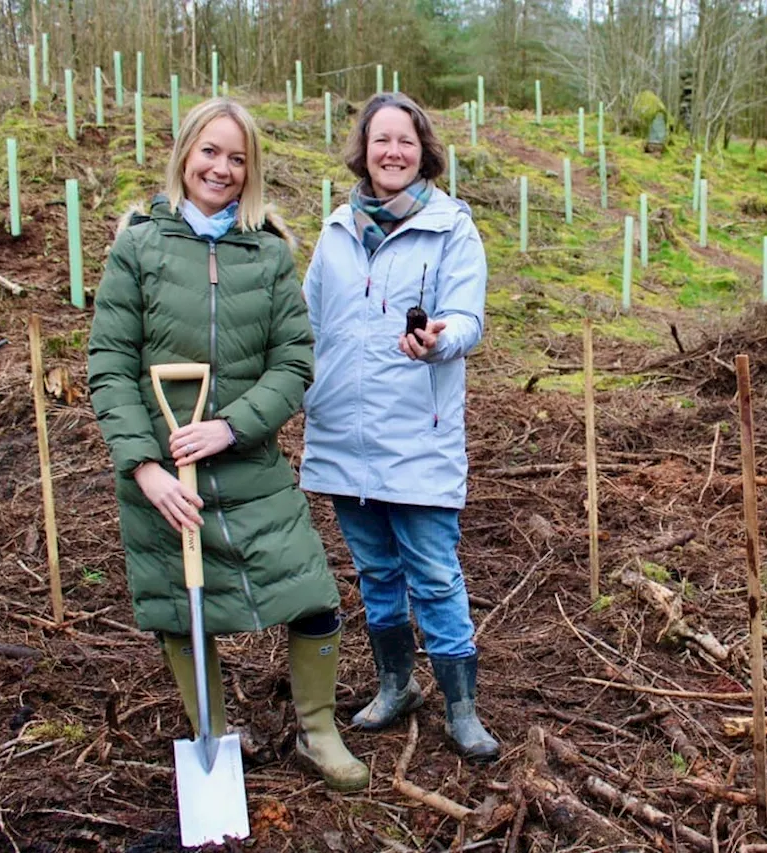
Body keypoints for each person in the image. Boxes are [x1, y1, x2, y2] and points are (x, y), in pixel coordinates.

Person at [88, 98, 368, 792]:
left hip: (248, 465)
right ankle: (209, 730)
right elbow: (109, 364)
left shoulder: (267, 252)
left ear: (252, 172)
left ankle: (318, 731)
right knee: (182, 612)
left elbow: (294, 363)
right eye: (210, 151)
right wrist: (146, 467)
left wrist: (233, 424)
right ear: (185, 154)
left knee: (313, 596)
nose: (222, 167)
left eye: (237, 158)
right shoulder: (139, 246)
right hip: (165, 477)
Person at [300, 92, 498, 763]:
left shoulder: (451, 228)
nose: (393, 152)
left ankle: (462, 706)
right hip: (342, 435)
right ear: (363, 149)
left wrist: (440, 339)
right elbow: (308, 328)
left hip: (418, 436)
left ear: (423, 151)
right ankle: (396, 683)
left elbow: (467, 318)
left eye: (405, 141)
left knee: (435, 574)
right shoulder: (334, 232)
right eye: (381, 139)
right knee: (376, 572)